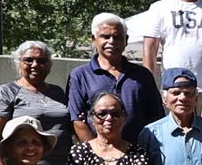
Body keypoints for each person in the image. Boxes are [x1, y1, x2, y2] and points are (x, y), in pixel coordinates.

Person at [0, 40, 71, 165]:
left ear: (49, 65)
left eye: (41, 61)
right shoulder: (7, 92)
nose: (35, 65)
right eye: (29, 60)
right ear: (19, 63)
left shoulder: (58, 92)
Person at [68, 13, 164, 143]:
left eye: (117, 37)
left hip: (138, 151)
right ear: (93, 39)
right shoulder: (80, 75)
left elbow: (156, 117)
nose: (111, 42)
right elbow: (77, 120)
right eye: (105, 37)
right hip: (96, 152)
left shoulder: (142, 75)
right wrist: (96, 151)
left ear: (126, 40)